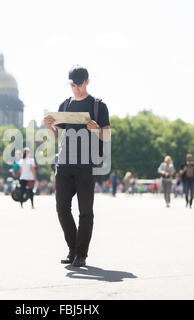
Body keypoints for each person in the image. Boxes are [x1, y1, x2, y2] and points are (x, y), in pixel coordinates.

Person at [43, 65, 110, 267]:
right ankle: (72, 248)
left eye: (79, 85)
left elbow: (107, 136)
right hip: (64, 164)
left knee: (85, 211)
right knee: (62, 208)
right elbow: (55, 137)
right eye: (72, 85)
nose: (76, 89)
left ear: (87, 82)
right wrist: (49, 127)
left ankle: (81, 254)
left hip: (87, 165)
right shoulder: (64, 105)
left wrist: (97, 129)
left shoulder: (99, 106)